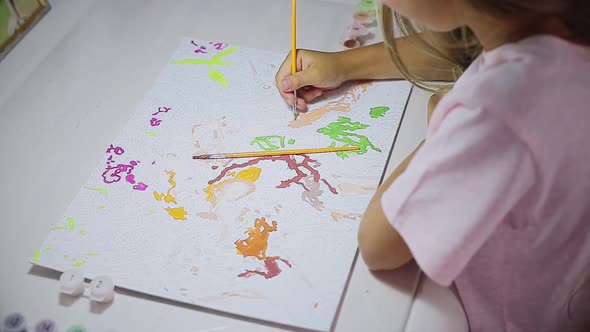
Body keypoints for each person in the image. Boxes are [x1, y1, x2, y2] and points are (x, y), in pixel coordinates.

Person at [275, 0, 590, 331]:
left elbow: (379, 246)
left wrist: (446, 132)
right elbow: (460, 44)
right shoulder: (558, 22)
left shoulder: (498, 111)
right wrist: (344, 64)